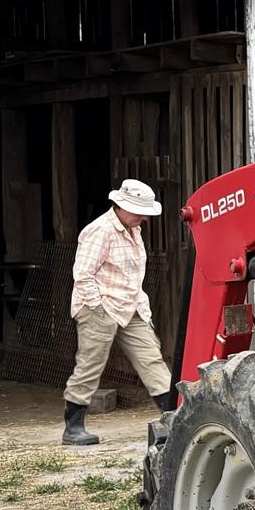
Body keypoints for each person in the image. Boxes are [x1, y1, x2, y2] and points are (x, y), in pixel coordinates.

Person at [63, 178, 178, 446]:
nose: (145, 218)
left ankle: (174, 419)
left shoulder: (132, 229)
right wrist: (96, 305)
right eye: (140, 212)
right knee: (91, 364)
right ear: (122, 207)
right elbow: (82, 274)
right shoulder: (100, 231)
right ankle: (73, 427)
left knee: (151, 358)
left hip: (130, 304)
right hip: (101, 305)